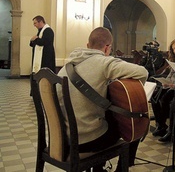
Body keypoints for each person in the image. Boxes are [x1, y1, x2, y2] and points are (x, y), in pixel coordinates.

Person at [57, 27, 148, 171]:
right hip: (89, 139)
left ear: (88, 45)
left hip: (64, 138)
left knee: (103, 118)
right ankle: (122, 168)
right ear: (107, 48)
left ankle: (98, 169)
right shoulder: (104, 63)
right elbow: (142, 72)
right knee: (135, 122)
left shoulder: (66, 66)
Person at [151, 38, 175, 138]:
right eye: (173, 49)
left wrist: (173, 85)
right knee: (154, 96)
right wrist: (166, 82)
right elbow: (171, 74)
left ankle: (166, 127)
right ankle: (161, 124)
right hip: (171, 85)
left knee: (165, 98)